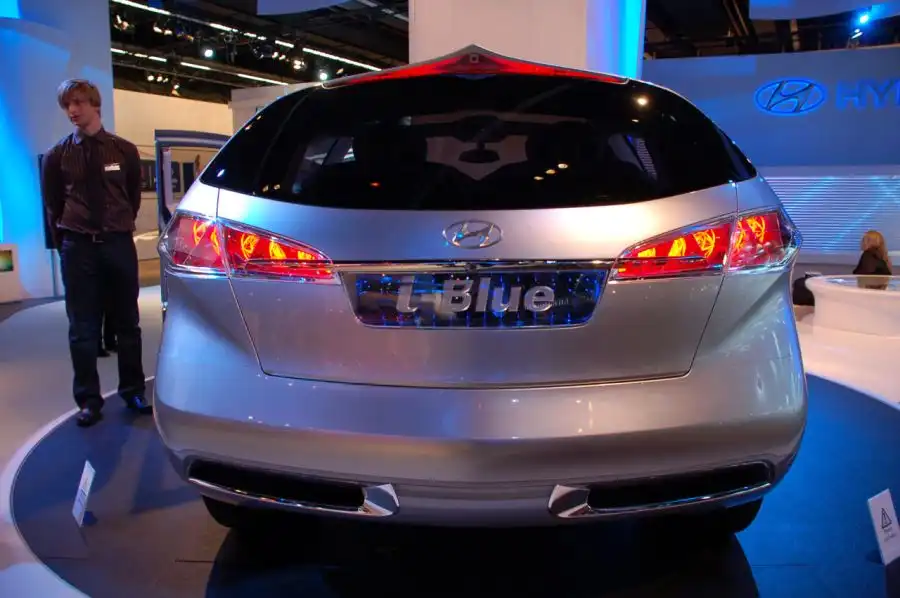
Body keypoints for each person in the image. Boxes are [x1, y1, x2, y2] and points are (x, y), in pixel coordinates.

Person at [41, 79, 152, 427]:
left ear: (95, 104)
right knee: (82, 328)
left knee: (127, 323)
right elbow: (53, 204)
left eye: (78, 103)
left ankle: (133, 391)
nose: (72, 111)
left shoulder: (124, 151)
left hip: (117, 244)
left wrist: (116, 227)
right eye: (67, 105)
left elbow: (132, 198)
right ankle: (88, 400)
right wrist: (68, 243)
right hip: (78, 248)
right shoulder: (57, 156)